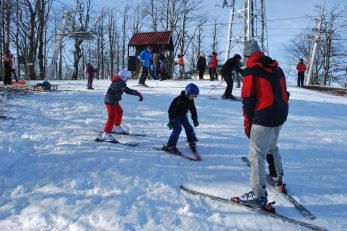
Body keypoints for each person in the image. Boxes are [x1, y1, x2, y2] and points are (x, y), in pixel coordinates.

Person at [232, 39, 290, 209]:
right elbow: (285, 92)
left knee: (256, 155)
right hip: (280, 113)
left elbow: (248, 100)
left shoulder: (251, 71)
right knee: (272, 146)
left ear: (247, 55)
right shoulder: (277, 68)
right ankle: (277, 179)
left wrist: (248, 124)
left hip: (264, 116)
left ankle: (258, 195)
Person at [101, 69, 144, 141]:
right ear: (123, 76)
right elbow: (127, 90)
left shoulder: (117, 81)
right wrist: (138, 93)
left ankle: (116, 127)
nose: (127, 80)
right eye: (127, 78)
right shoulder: (119, 82)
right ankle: (106, 133)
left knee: (119, 111)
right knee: (112, 116)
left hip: (114, 101)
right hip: (110, 101)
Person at [163, 83, 200, 159]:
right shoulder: (179, 99)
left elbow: (193, 110)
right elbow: (171, 110)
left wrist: (195, 120)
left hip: (183, 115)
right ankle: (170, 146)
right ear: (187, 93)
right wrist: (171, 121)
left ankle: (191, 141)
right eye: (192, 95)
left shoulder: (191, 101)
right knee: (178, 129)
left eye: (195, 96)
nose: (193, 97)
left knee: (189, 127)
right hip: (175, 115)